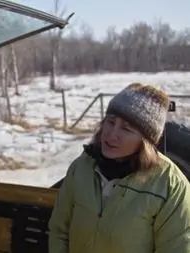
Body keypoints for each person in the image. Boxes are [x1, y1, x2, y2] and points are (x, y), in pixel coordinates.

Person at [48, 83, 190, 253]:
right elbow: (59, 231)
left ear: (145, 141)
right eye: (111, 122)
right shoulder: (82, 167)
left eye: (126, 129)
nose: (112, 134)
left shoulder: (170, 186)